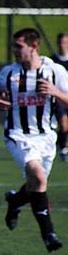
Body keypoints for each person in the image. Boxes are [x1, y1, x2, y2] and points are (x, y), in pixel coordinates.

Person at [0, 27, 68, 252]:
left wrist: (55, 92)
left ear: (34, 46)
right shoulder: (10, 73)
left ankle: (15, 201)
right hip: (18, 134)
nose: (14, 50)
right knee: (38, 177)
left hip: (46, 137)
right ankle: (49, 234)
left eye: (19, 46)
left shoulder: (54, 71)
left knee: (36, 185)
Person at [51, 32, 68, 161]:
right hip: (58, 98)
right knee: (63, 124)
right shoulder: (53, 61)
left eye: (66, 43)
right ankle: (63, 148)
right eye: (61, 42)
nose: (63, 45)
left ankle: (59, 142)